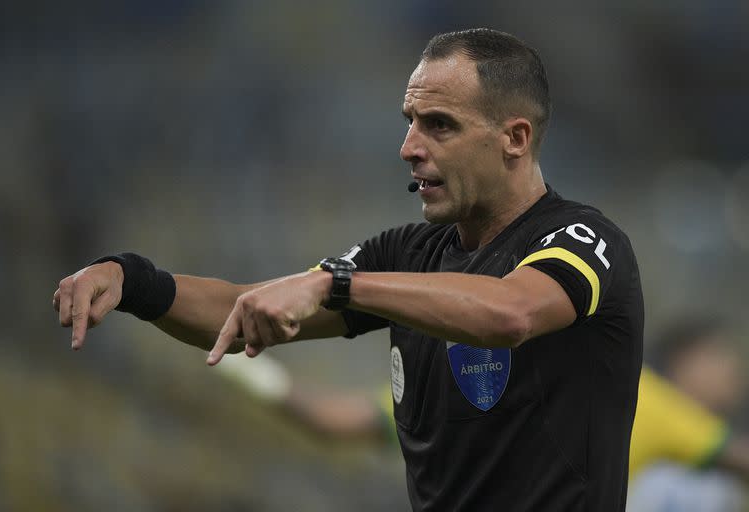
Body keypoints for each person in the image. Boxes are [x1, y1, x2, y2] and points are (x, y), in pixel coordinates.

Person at [53, 28, 644, 511]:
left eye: (439, 125)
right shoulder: (405, 255)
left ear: (515, 138)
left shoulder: (583, 241)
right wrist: (131, 279)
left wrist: (337, 282)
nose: (410, 146)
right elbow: (237, 308)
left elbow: (510, 313)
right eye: (409, 120)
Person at [627, 319, 749, 511]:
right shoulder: (655, 403)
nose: (734, 368)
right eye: (718, 354)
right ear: (682, 360)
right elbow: (739, 456)